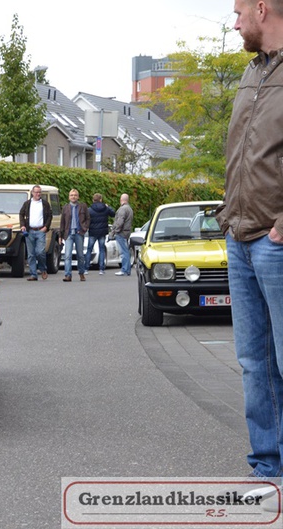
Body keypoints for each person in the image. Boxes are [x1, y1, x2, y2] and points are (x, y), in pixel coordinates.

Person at [217, 0, 283, 483]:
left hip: (275, 240)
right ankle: (269, 466)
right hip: (239, 236)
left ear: (262, 9)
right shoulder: (251, 73)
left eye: (240, 12)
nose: (236, 22)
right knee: (254, 362)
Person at [19, 185, 53, 281]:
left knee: (40, 252)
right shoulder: (27, 204)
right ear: (32, 193)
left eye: (39, 192)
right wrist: (22, 225)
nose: (38, 194)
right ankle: (33, 274)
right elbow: (21, 214)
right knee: (31, 254)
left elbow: (50, 216)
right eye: (36, 192)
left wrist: (46, 227)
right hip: (29, 231)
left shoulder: (45, 204)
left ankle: (43, 269)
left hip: (40, 230)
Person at [59, 189, 90, 282]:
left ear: (78, 197)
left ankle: (81, 273)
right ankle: (68, 275)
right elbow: (62, 222)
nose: (73, 197)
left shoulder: (83, 206)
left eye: (75, 195)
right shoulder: (65, 207)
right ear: (69, 197)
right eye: (72, 195)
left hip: (79, 233)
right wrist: (60, 235)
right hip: (68, 234)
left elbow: (88, 218)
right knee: (67, 255)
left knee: (80, 255)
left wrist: (85, 228)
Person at [85, 193, 115, 275]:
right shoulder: (105, 209)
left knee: (89, 250)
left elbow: (86, 219)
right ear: (101, 199)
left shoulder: (89, 210)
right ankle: (101, 269)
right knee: (102, 250)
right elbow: (113, 214)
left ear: (93, 200)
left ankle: (86, 269)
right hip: (102, 232)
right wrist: (108, 207)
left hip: (92, 231)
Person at [109, 193, 133, 276]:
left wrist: (115, 231)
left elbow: (120, 221)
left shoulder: (122, 209)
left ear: (121, 199)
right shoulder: (129, 208)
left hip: (121, 233)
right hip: (127, 232)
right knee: (126, 251)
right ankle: (127, 270)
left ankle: (124, 270)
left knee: (123, 252)